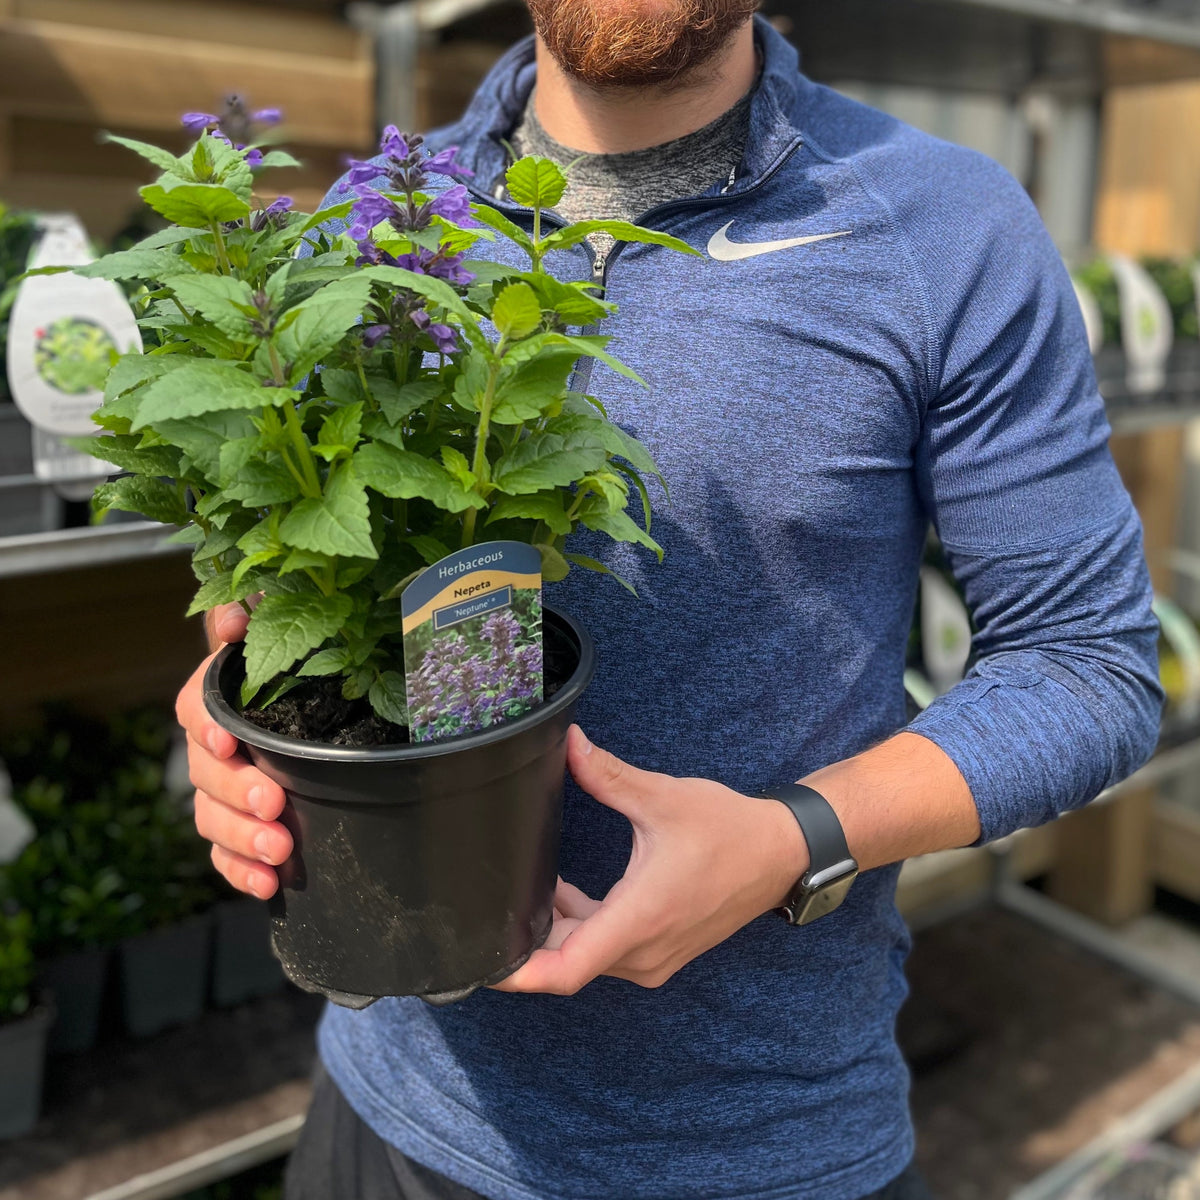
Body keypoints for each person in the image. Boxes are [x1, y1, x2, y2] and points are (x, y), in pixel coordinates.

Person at [175, 3, 1164, 1198]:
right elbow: (284, 584)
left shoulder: (942, 225)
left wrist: (794, 838)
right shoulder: (376, 220)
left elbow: (1088, 666)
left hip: (758, 1144)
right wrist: (236, 726)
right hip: (394, 1106)